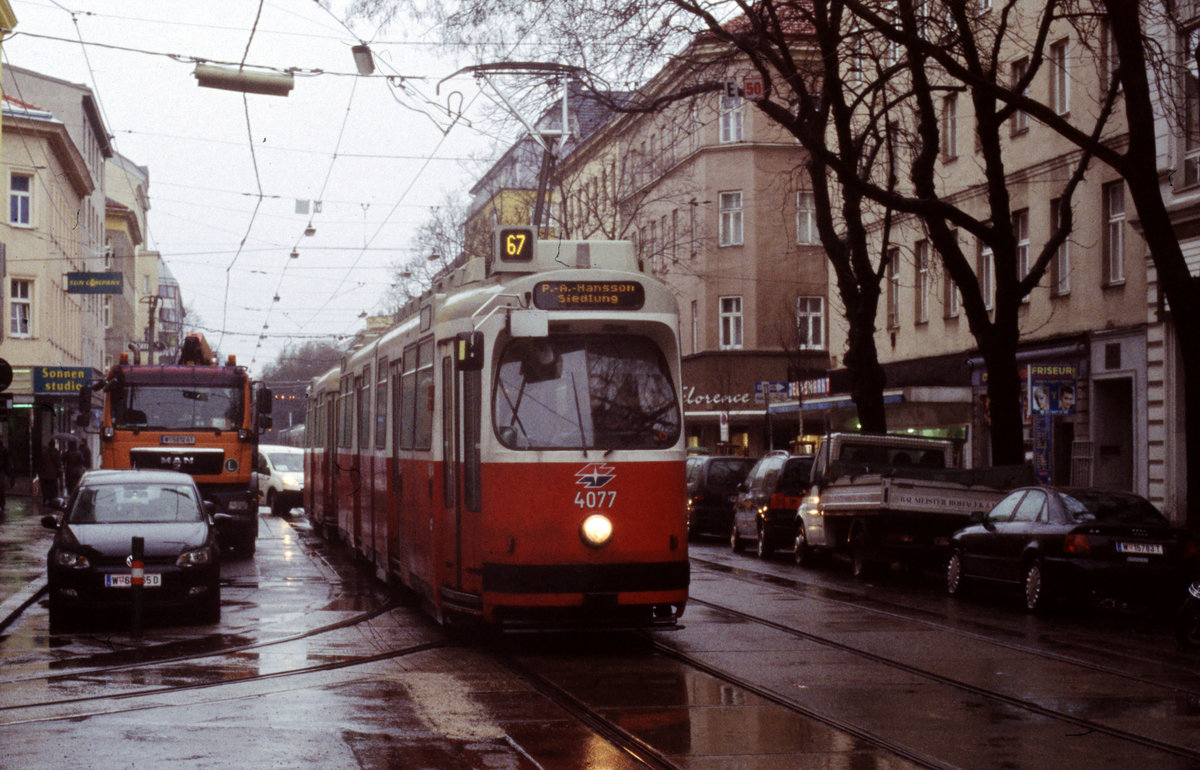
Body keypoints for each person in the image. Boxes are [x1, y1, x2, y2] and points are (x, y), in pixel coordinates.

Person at [39, 441, 63, 506]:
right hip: (53, 474)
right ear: (54, 445)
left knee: (46, 487)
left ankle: (45, 499)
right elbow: (58, 463)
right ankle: (53, 500)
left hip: (44, 474)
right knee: (53, 488)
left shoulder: (44, 453)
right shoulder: (56, 452)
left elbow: (40, 464)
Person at [0, 436, 10, 512]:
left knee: (1, 488)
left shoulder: (4, 449)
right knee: (1, 488)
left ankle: (2, 504)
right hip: (1, 471)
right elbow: (7, 462)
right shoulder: (4, 449)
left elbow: (7, 461)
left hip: (1, 471)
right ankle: (2, 504)